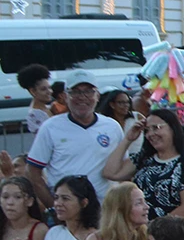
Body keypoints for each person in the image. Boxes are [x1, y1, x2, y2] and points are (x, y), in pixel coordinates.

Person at [25, 70, 124, 207]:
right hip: (67, 213)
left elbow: (123, 167)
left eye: (89, 91)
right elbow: (33, 172)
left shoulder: (112, 127)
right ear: (65, 96)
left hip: (105, 211)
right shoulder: (50, 127)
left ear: (97, 96)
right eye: (75, 92)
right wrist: (54, 208)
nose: (82, 97)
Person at [0, 176, 46, 240]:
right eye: (5, 197)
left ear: (29, 201)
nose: (10, 203)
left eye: (17, 197)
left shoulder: (39, 230)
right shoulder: (3, 226)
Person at [17, 64, 56, 134]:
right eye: (43, 89)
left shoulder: (47, 107)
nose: (50, 92)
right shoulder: (35, 114)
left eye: (49, 87)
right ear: (33, 91)